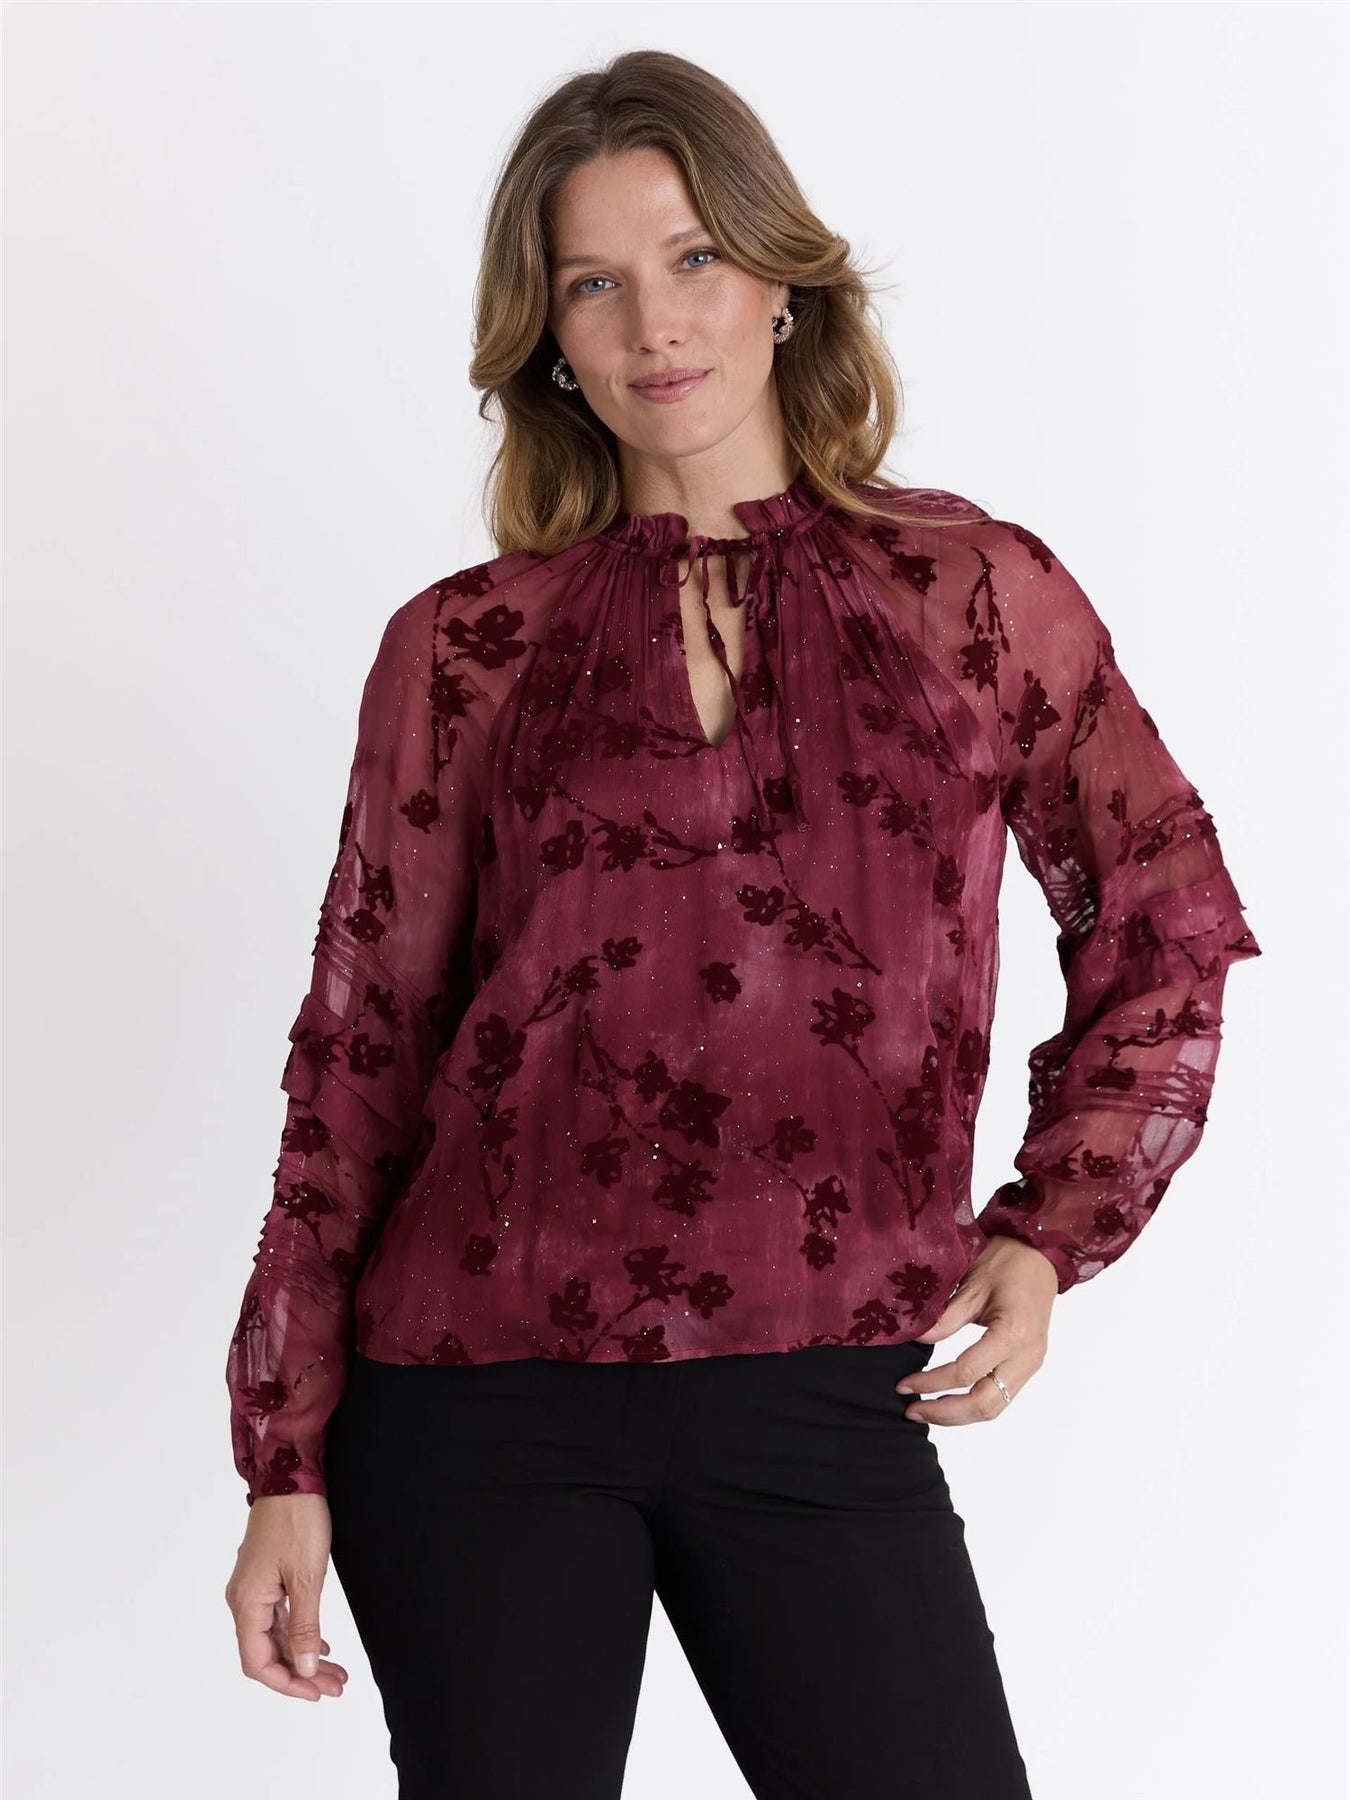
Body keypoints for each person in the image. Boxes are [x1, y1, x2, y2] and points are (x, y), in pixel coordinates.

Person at [223, 48, 1262, 1800]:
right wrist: (285, 1458)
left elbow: (1161, 911)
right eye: (593, 283)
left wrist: (1050, 1227)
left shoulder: (972, 594)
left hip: (823, 1385)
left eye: (693, 257)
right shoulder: (461, 647)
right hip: (473, 1398)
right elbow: (360, 1054)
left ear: (782, 279)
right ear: (548, 336)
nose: (654, 324)